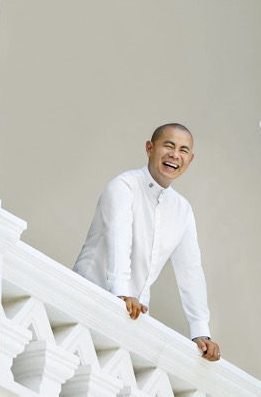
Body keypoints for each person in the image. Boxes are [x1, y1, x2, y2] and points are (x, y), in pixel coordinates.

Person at [74, 124, 221, 361]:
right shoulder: (124, 186)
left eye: (183, 150)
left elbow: (191, 271)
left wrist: (200, 331)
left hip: (134, 319)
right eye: (169, 146)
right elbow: (119, 239)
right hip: (87, 300)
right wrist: (122, 293)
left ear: (190, 160)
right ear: (150, 148)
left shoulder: (182, 210)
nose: (175, 155)